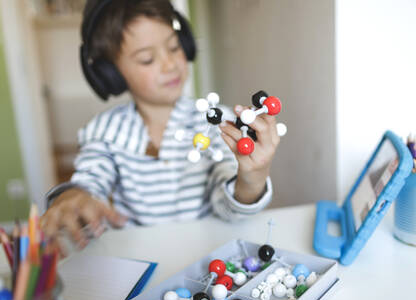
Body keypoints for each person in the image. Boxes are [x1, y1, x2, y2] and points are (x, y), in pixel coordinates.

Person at [41, 0, 280, 249]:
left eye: (175, 47)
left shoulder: (217, 122)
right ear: (110, 73)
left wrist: (251, 179)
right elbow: (89, 182)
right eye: (147, 59)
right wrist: (73, 196)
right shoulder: (105, 133)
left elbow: (229, 210)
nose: (171, 64)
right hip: (139, 260)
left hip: (204, 253)